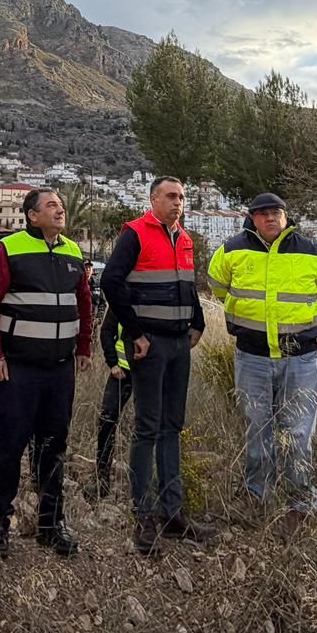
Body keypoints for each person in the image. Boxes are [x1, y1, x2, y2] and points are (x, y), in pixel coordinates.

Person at [207, 192, 317, 532]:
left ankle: (300, 502)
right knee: (258, 430)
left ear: (286, 217)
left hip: (300, 358)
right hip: (252, 356)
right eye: (263, 214)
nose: (270, 218)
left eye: (276, 213)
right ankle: (258, 495)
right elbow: (217, 285)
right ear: (252, 218)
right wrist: (242, 315)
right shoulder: (231, 250)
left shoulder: (311, 251)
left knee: (298, 433)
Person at [0, 188, 93, 559]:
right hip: (17, 369)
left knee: (53, 447)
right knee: (9, 445)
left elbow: (84, 302)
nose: (60, 210)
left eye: (61, 205)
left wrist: (85, 347)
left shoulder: (73, 251)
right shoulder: (8, 250)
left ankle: (50, 523)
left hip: (59, 370)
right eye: (51, 206)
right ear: (31, 216)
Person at [101, 175, 212, 554]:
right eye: (170, 196)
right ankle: (144, 514)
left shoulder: (184, 237)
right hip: (149, 345)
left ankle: (173, 513)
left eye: (182, 196)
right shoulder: (135, 233)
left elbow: (187, 285)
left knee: (172, 426)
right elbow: (111, 283)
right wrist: (136, 333)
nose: (178, 202)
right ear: (153, 199)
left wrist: (198, 322)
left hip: (179, 344)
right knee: (147, 428)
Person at [89, 301, 132, 500]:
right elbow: (106, 331)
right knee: (107, 420)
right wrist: (113, 363)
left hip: (149, 374)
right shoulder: (122, 297)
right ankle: (102, 477)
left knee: (147, 427)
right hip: (121, 373)